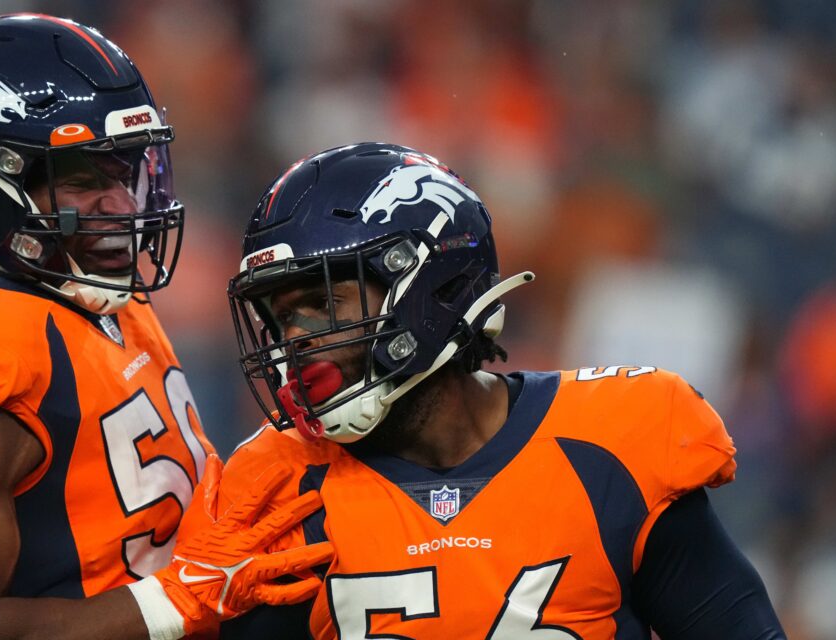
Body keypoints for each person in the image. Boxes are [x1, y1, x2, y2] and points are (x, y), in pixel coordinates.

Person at [0, 14, 331, 640]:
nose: (123, 206)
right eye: (80, 179)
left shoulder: (96, 290)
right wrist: (174, 601)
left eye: (125, 172)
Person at [218, 142, 787, 638]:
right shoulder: (279, 487)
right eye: (281, 319)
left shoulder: (614, 444)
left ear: (428, 287)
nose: (294, 342)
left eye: (321, 305)